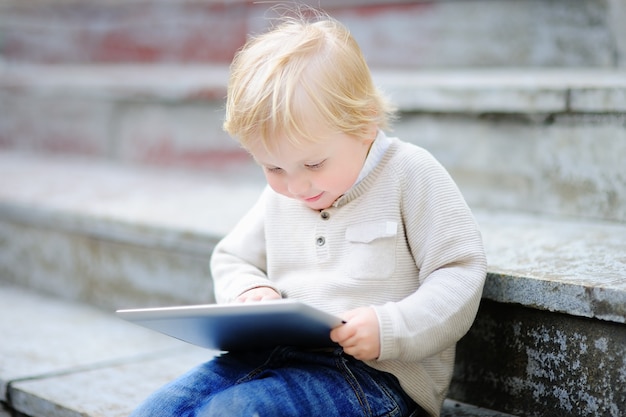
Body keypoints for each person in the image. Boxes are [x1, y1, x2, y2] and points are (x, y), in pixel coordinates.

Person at [129, 7, 486, 417]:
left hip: (373, 377)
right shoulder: (284, 195)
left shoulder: (410, 173)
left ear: (365, 122)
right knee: (158, 409)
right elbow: (233, 257)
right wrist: (250, 291)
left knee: (237, 412)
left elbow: (460, 271)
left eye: (313, 164)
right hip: (273, 354)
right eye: (273, 167)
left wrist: (390, 327)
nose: (296, 187)